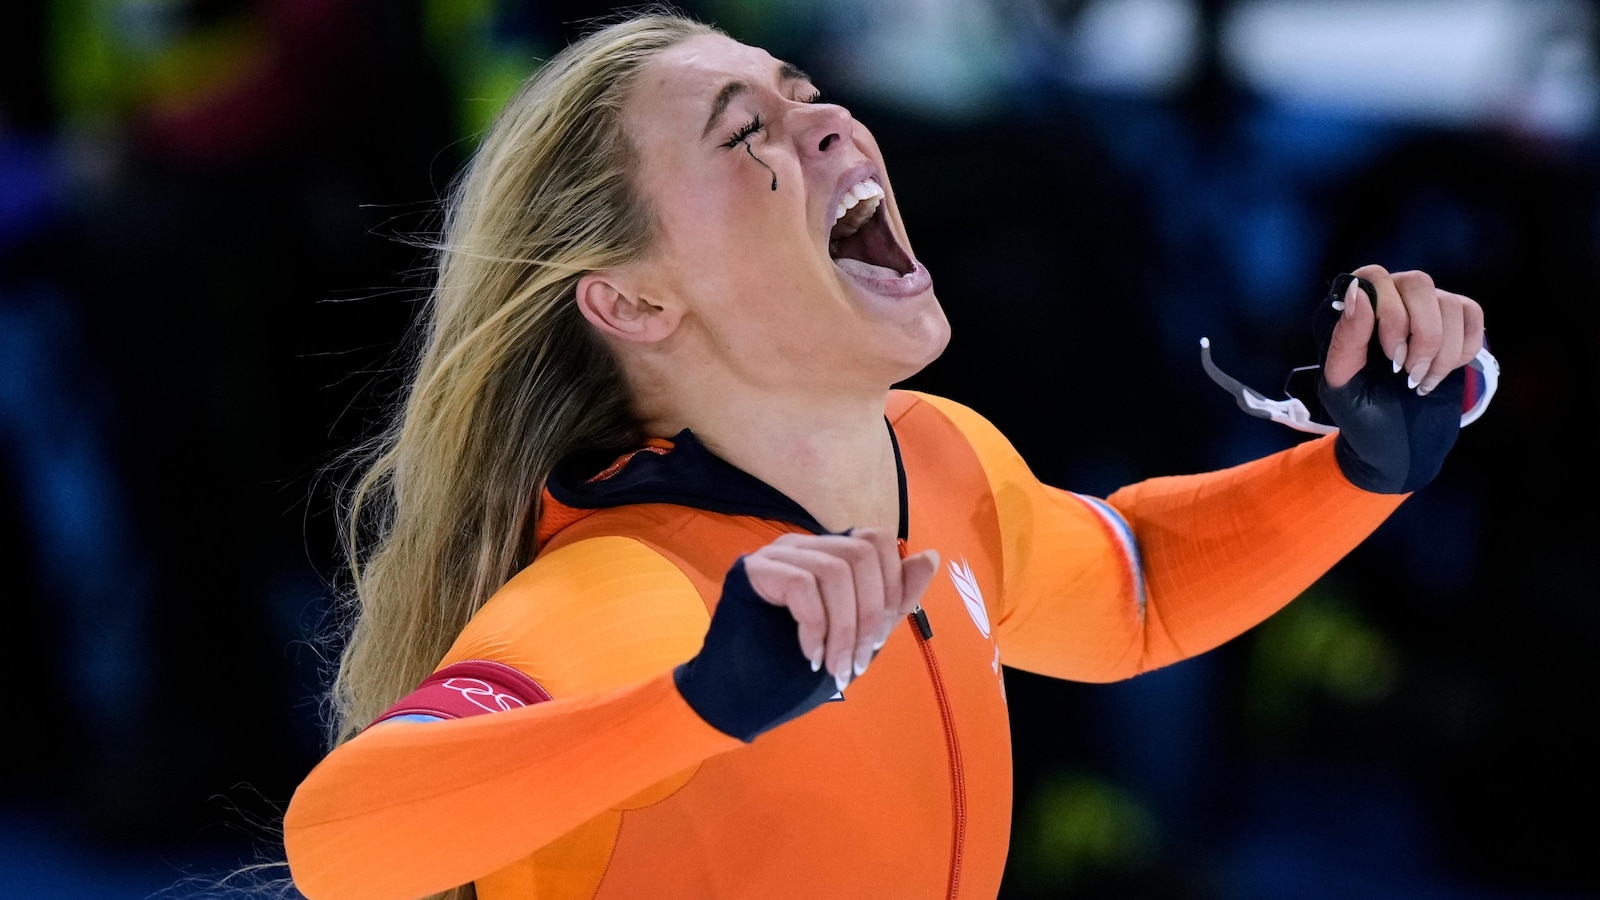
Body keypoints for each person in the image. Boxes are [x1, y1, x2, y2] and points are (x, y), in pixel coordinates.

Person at [280, 10, 1493, 900]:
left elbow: (1131, 587)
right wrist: (698, 704)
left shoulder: (940, 461)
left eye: (804, 89)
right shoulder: (635, 597)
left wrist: (1356, 472)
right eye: (744, 131)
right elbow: (342, 846)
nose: (827, 122)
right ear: (634, 301)